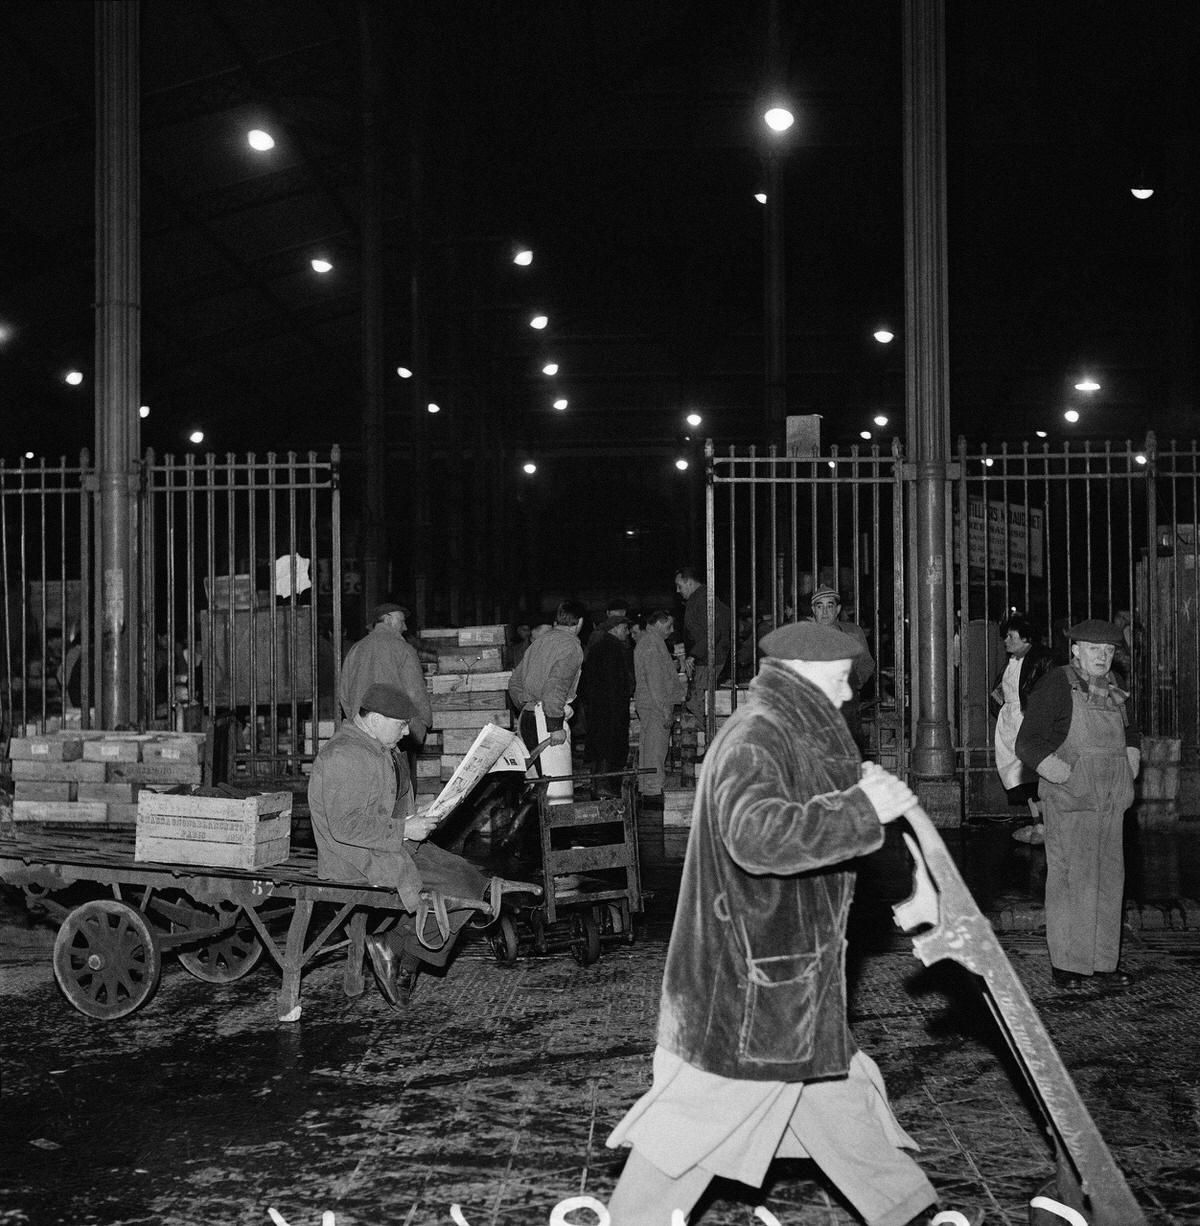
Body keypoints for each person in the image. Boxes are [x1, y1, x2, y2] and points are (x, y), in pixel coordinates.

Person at [606, 622, 938, 1226]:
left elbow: (803, 813)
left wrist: (856, 792)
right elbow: (757, 836)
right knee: (700, 1119)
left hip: (786, 972)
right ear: (801, 674)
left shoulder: (794, 733)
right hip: (750, 981)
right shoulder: (758, 737)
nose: (845, 696)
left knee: (835, 1097)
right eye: (839, 681)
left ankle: (907, 1211)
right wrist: (860, 808)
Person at [306, 683, 487, 1009]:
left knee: (471, 878)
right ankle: (397, 948)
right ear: (374, 718)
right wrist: (404, 828)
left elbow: (378, 807)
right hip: (354, 859)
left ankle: (399, 950)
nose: (406, 733)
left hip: (383, 846)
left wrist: (418, 816)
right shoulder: (344, 756)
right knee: (460, 888)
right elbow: (345, 826)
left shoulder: (373, 747)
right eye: (401, 724)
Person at [1016, 619, 1141, 993]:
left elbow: (1130, 732)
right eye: (1093, 649)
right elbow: (1027, 743)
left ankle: (1103, 962)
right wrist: (1062, 774)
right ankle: (1068, 964)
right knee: (1072, 881)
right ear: (1075, 650)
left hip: (1109, 801)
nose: (1102, 657)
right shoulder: (1056, 683)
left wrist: (1129, 766)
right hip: (1071, 800)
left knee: (1108, 881)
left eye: (1108, 651)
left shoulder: (1112, 687)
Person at [338, 602, 433, 783]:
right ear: (388, 619)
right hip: (395, 734)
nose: (405, 627)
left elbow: (344, 694)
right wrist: (424, 723)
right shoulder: (403, 649)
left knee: (367, 784)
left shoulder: (355, 649)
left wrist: (357, 721)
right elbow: (415, 693)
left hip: (363, 732)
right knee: (399, 790)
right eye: (402, 621)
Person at [508, 599, 585, 799]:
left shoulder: (538, 642)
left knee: (536, 786)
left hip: (528, 718)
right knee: (557, 793)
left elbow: (514, 682)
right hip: (547, 721)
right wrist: (554, 726)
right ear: (580, 622)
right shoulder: (571, 647)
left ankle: (533, 828)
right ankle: (556, 831)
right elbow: (555, 688)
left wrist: (526, 705)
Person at [988, 612, 1052, 813]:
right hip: (1010, 725)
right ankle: (1037, 823)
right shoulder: (1012, 661)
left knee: (1034, 774)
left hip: (1027, 722)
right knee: (1020, 779)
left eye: (1011, 637)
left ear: (1026, 638)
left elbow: (1049, 694)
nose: (1006, 641)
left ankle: (1045, 825)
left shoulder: (1042, 659)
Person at [809, 584, 875, 753]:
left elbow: (867, 663)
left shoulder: (853, 633)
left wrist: (855, 682)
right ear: (813, 610)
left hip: (847, 707)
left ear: (837, 609)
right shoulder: (804, 637)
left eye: (829, 606)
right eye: (819, 606)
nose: (824, 612)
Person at [633, 609, 686, 806]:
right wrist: (665, 710)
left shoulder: (650, 642)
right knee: (656, 750)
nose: (671, 631)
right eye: (668, 626)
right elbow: (655, 681)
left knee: (649, 748)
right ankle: (654, 792)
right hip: (655, 705)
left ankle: (647, 787)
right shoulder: (652, 644)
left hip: (649, 704)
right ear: (658, 624)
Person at [579, 613, 634, 795]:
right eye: (625, 629)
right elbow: (616, 682)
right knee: (610, 748)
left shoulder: (599, 647)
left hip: (599, 709)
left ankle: (598, 786)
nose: (628, 633)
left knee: (601, 747)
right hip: (611, 710)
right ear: (616, 629)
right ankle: (605, 787)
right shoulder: (613, 648)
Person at [674, 565, 732, 720]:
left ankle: (709, 735)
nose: (678, 591)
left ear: (689, 583)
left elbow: (714, 631)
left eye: (679, 586)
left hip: (708, 660)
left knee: (697, 703)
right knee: (698, 702)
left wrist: (693, 655)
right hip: (708, 658)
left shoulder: (702, 600)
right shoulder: (703, 599)